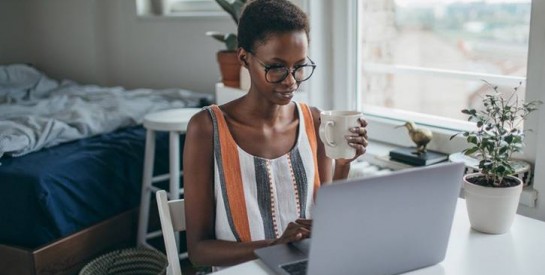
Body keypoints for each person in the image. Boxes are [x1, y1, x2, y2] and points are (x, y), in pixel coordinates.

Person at [183, 0, 368, 268]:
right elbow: (199, 252)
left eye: (299, 67)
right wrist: (275, 246)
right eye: (276, 67)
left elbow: (326, 220)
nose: (291, 80)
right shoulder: (207, 128)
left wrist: (343, 165)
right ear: (244, 58)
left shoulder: (314, 121)